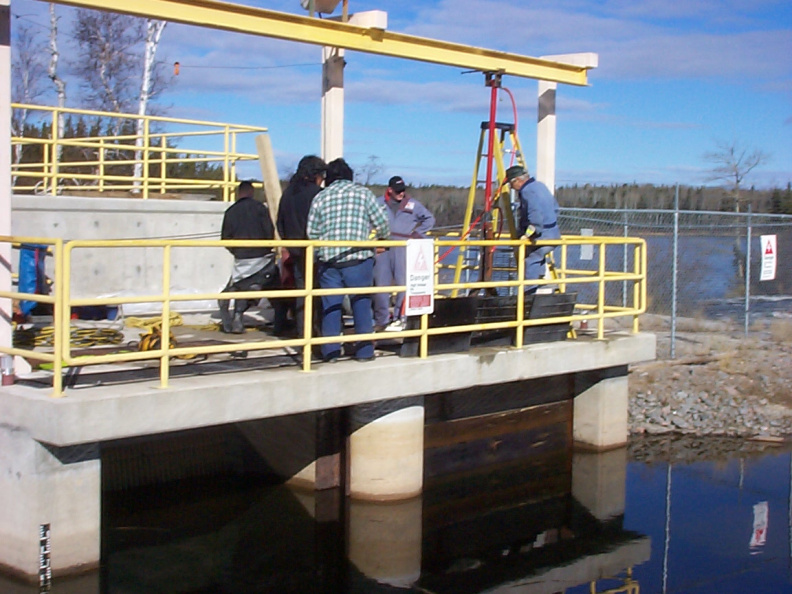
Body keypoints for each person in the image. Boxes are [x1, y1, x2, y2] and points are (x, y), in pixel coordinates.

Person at [306, 158, 390, 362]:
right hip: (358, 259)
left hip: (329, 261)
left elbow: (311, 232)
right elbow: (383, 224)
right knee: (361, 305)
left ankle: (331, 352)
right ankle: (364, 352)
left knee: (331, 308)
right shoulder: (363, 194)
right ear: (350, 176)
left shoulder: (320, 197)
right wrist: (381, 241)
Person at [373, 175, 435, 332]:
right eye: (398, 191)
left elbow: (429, 219)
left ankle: (402, 317)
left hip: (404, 247)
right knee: (381, 285)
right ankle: (382, 320)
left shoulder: (413, 204)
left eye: (403, 191)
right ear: (390, 190)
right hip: (383, 246)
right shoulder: (378, 203)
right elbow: (367, 221)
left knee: (403, 284)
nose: (401, 194)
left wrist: (416, 235)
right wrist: (372, 241)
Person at [275, 155, 326, 337]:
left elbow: (279, 222)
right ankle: (317, 334)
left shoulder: (288, 193)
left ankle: (302, 333)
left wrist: (290, 243)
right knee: (318, 295)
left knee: (302, 294)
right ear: (316, 175)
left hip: (296, 251)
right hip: (315, 251)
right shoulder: (318, 195)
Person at [219, 180, 278, 333]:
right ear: (251, 192)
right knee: (274, 282)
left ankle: (232, 311)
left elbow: (225, 238)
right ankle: (278, 317)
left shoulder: (231, 211)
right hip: (261, 258)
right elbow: (269, 233)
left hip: (241, 258)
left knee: (239, 283)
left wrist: (238, 252)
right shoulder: (260, 209)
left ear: (239, 193)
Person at [505, 165, 561, 293]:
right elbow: (555, 208)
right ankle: (538, 280)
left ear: (517, 181)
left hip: (543, 235)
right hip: (554, 233)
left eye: (511, 184)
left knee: (531, 259)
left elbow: (535, 216)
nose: (511, 188)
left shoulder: (527, 191)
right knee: (538, 255)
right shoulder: (539, 186)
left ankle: (528, 295)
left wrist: (529, 234)